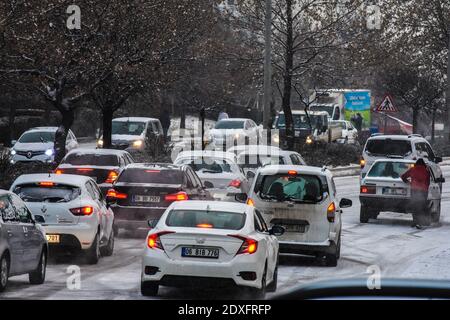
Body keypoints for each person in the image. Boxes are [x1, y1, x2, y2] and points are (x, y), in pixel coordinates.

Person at [401, 158, 431, 228]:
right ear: (423, 164)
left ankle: (415, 222)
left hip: (414, 190)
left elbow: (403, 176)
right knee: (422, 206)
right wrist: (426, 188)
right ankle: (421, 222)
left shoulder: (412, 169)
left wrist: (408, 182)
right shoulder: (426, 171)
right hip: (423, 191)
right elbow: (428, 182)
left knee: (415, 206)